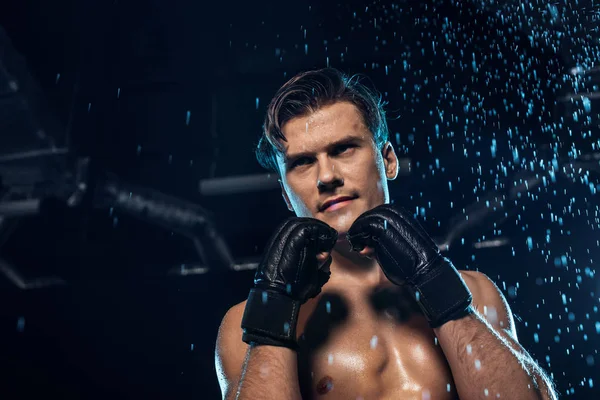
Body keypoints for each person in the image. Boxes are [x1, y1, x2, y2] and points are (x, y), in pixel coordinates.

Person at [214, 68, 557, 400]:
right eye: (302, 162)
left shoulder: (474, 294)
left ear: (388, 160)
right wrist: (274, 317)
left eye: (343, 148)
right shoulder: (246, 326)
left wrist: (439, 290)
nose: (327, 176)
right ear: (286, 194)